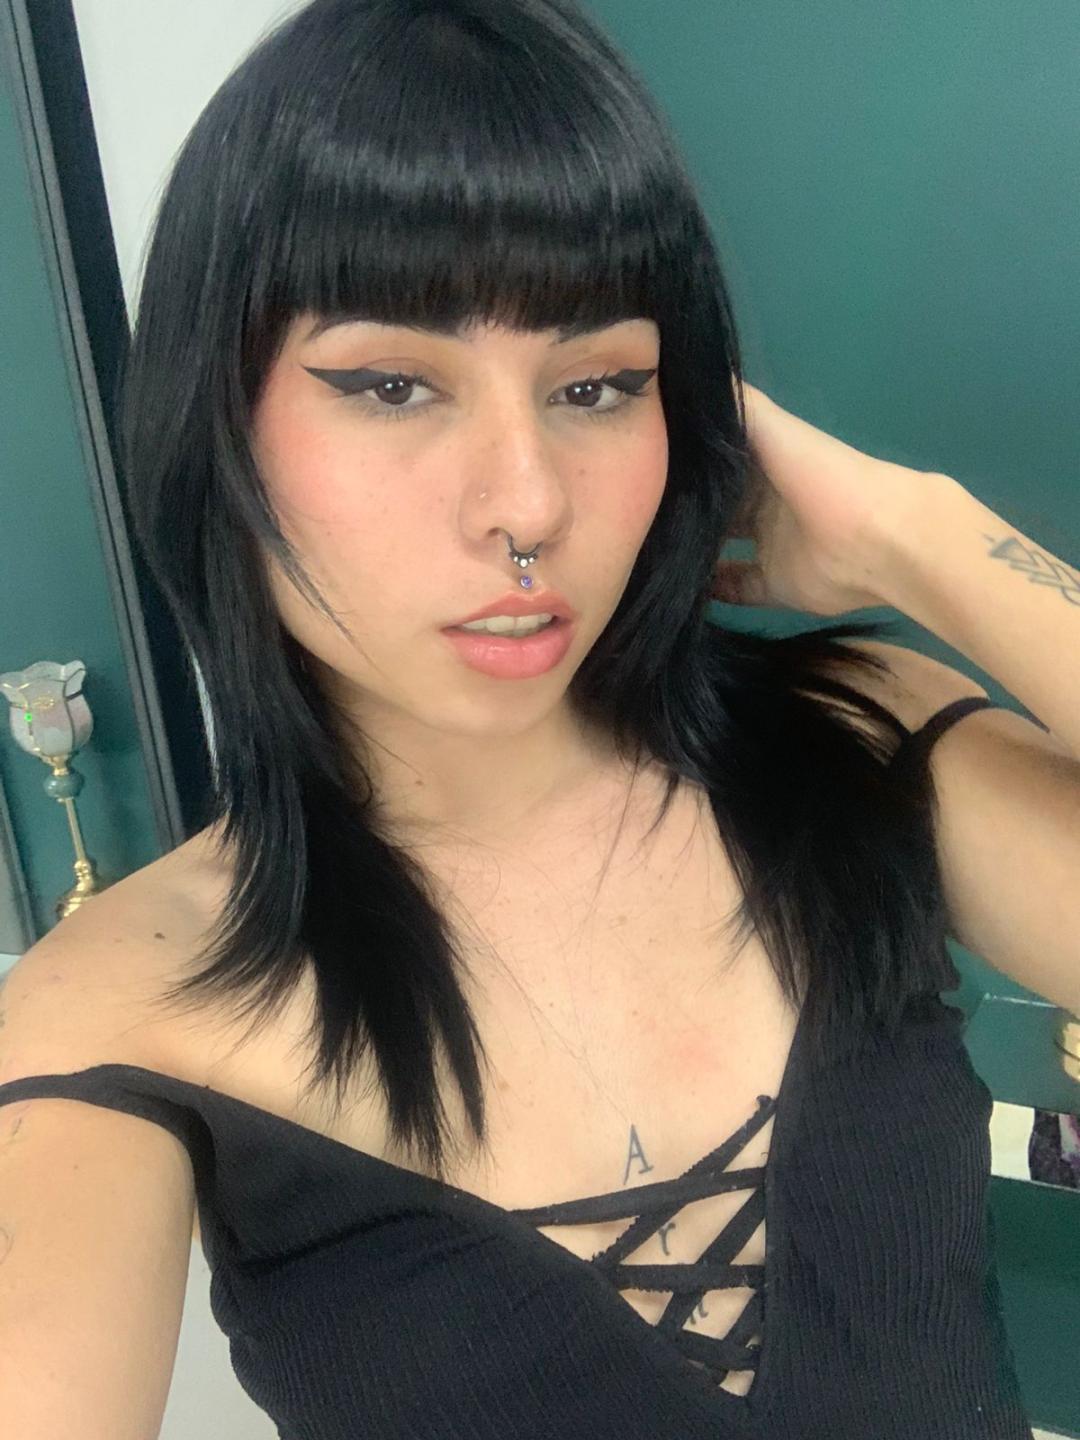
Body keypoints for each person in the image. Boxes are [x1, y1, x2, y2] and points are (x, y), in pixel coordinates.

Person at [2, 1, 1074, 1436]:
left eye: (596, 386)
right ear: (214, 419)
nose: (528, 503)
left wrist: (922, 538)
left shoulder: (859, 741)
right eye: (392, 385)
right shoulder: (118, 1006)